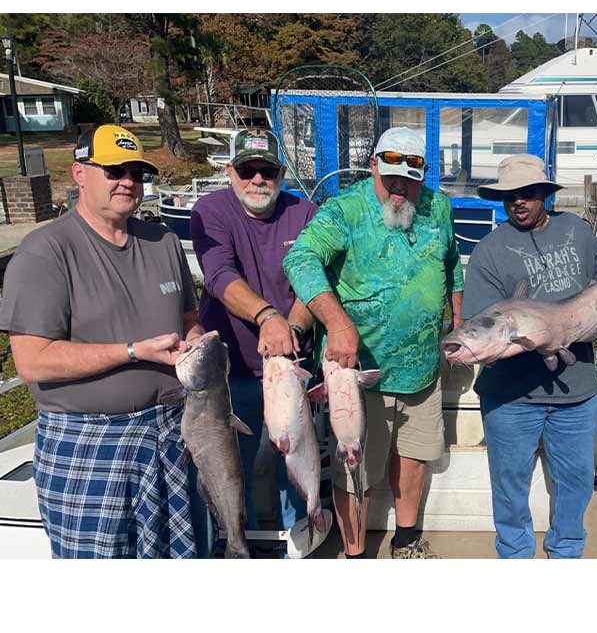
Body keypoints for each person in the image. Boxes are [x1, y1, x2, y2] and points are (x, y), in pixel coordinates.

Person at [0, 125, 204, 558]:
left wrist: (198, 344)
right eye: (113, 170)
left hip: (169, 435)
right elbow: (33, 361)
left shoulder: (163, 240)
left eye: (136, 172)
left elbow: (189, 319)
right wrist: (132, 351)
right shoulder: (45, 250)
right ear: (79, 173)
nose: (127, 182)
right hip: (88, 444)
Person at [283, 126, 464, 558]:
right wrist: (338, 323)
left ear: (424, 175)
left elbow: (453, 263)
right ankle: (356, 555)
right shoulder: (344, 209)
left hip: (421, 369)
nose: (400, 187)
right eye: (390, 176)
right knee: (353, 471)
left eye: (410, 179)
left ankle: (406, 543)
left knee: (415, 456)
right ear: (373, 166)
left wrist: (458, 317)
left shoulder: (439, 207)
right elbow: (300, 258)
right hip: (359, 379)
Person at [462, 154, 597, 559]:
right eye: (510, 196)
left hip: (578, 393)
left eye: (528, 193)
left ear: (545, 195)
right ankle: (515, 556)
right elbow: (477, 326)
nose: (519, 201)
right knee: (510, 485)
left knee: (574, 482)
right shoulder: (489, 251)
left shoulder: (575, 230)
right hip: (510, 399)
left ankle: (567, 552)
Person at [190, 129, 331, 557]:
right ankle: (238, 546)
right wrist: (268, 317)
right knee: (232, 473)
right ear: (230, 171)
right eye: (247, 170)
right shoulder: (209, 211)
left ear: (282, 173)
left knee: (296, 464)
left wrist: (294, 330)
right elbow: (218, 277)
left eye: (266, 170)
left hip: (289, 370)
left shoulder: (305, 212)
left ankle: (299, 546)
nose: (257, 180)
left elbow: (313, 281)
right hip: (230, 378)